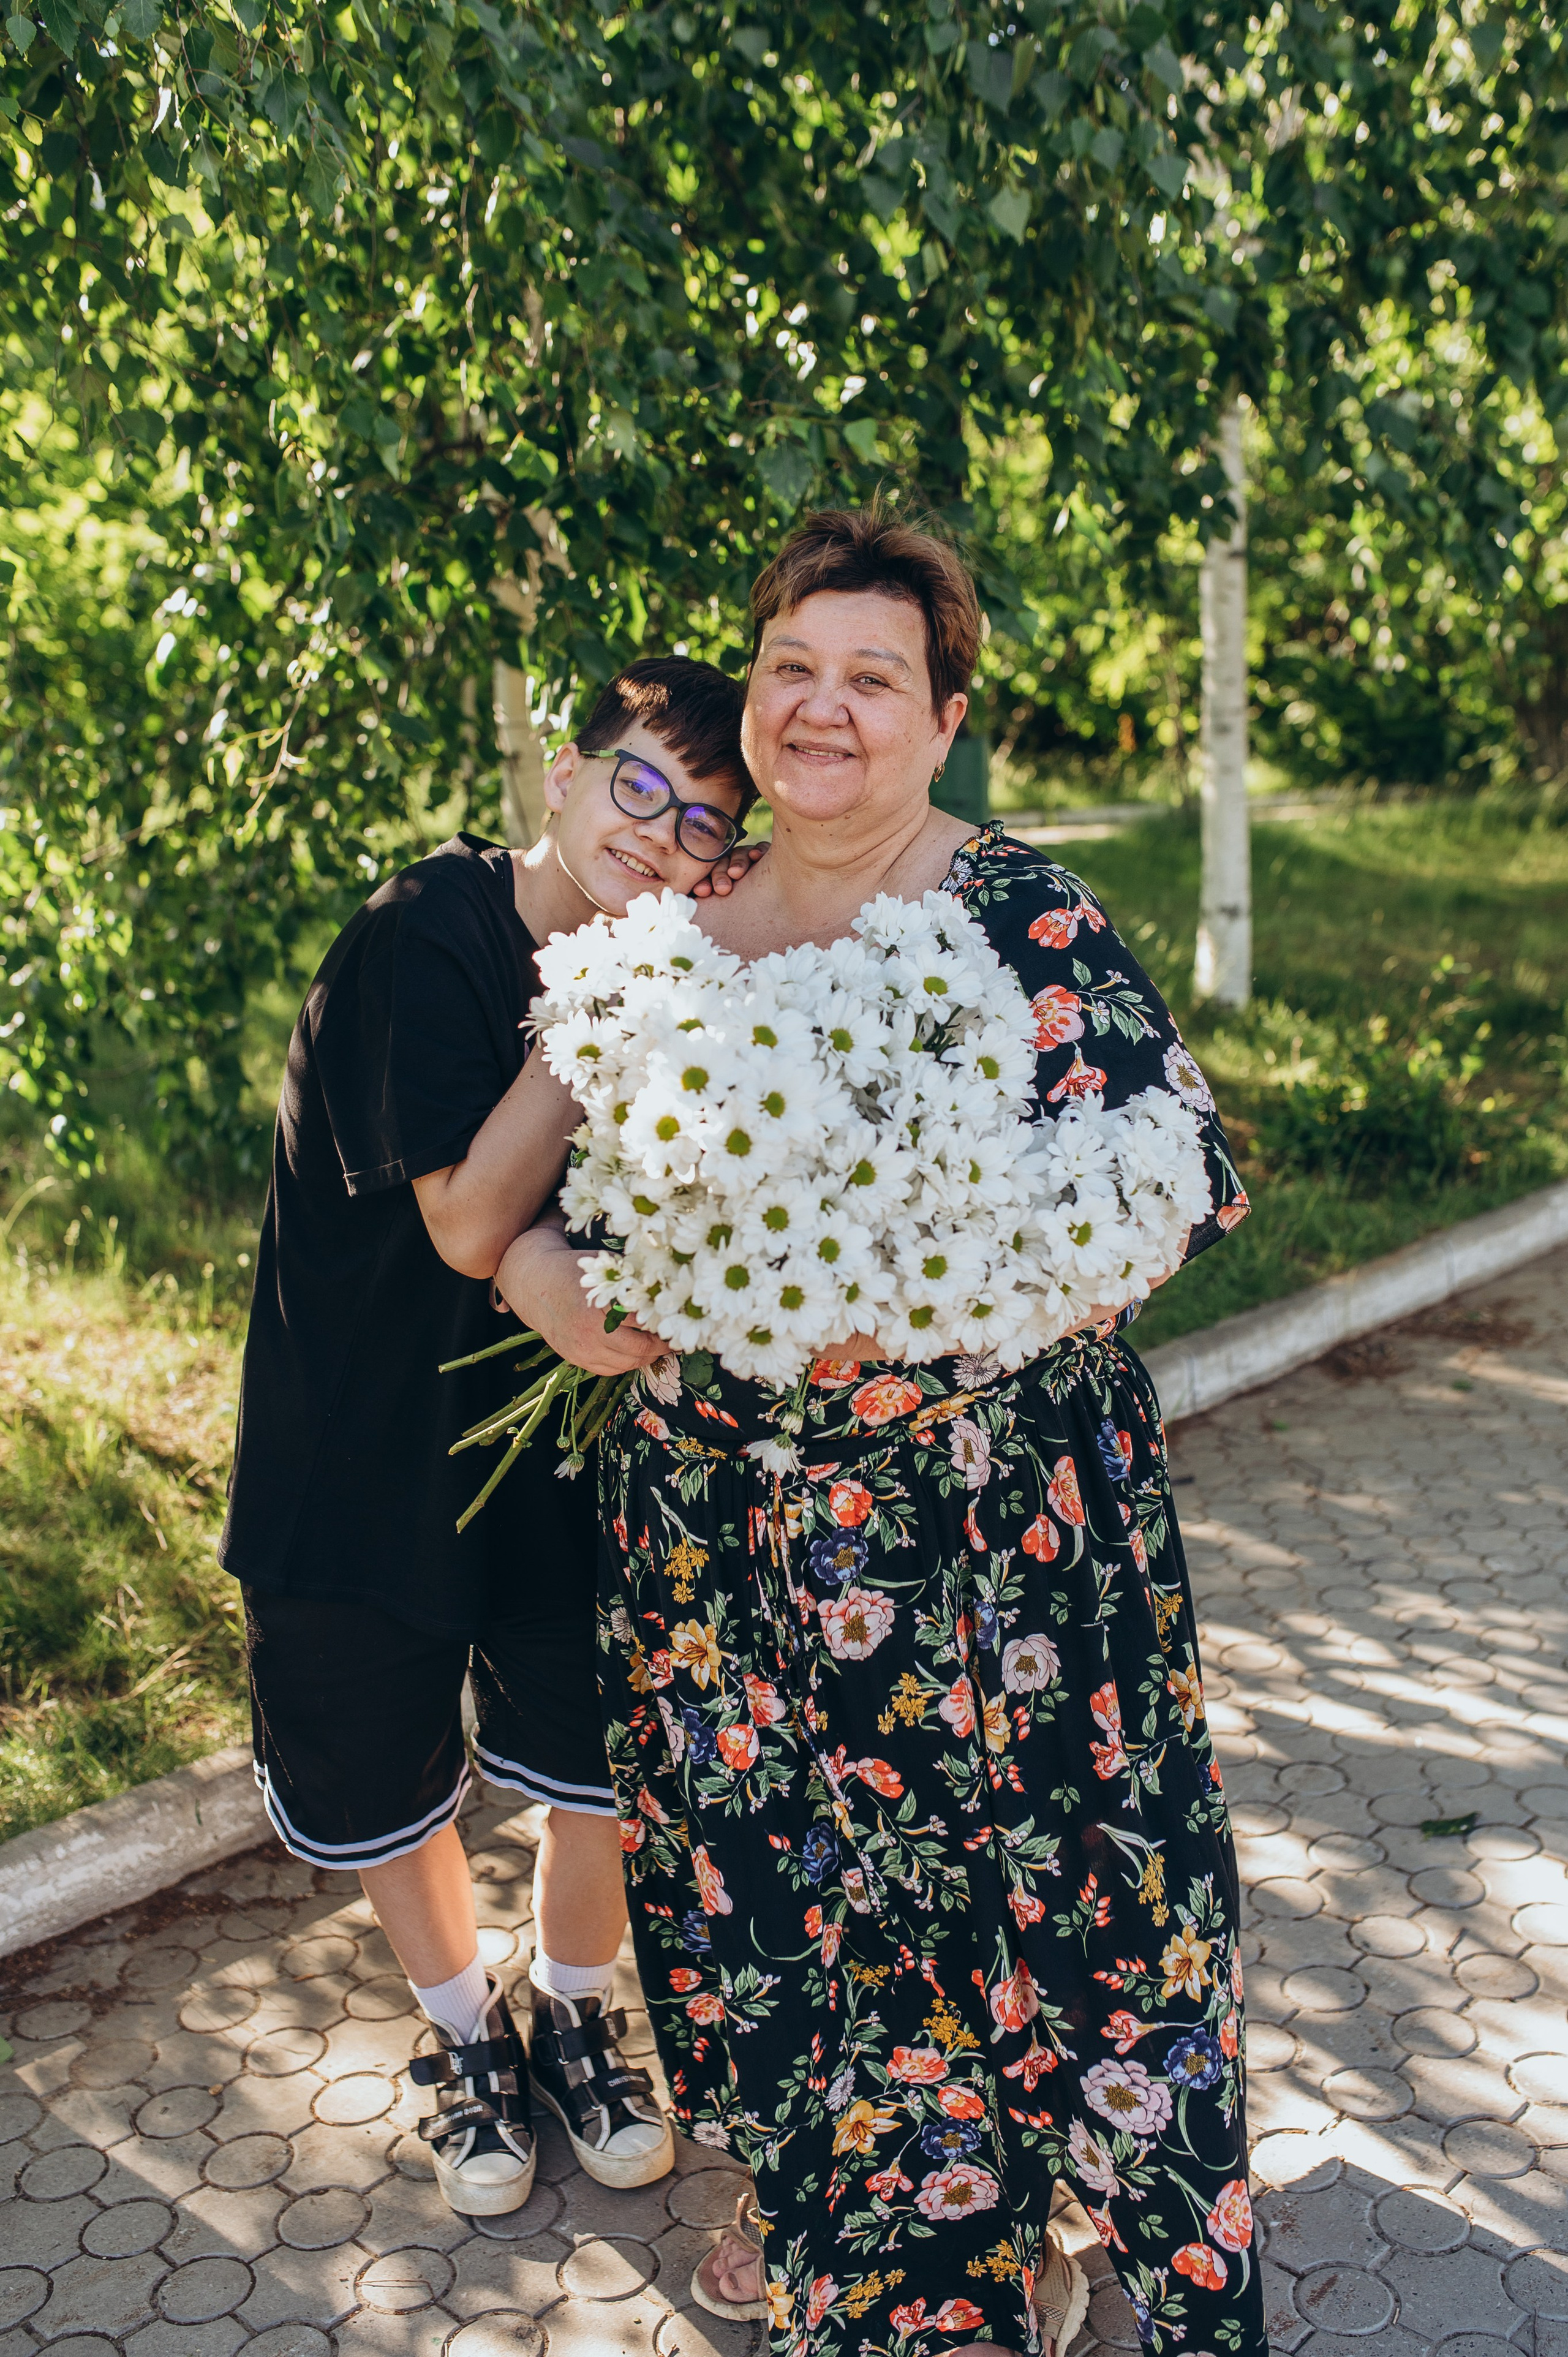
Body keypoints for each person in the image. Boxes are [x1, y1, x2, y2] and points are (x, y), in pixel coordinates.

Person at [497, 510, 1261, 2356]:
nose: (823, 708)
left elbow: (1173, 1195)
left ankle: (1080, 2232)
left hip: (999, 1555)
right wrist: (552, 1287)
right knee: (804, 1946)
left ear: (941, 720)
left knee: (1070, 1935)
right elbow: (532, 1191)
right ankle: (901, 2268)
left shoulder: (1018, 915)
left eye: (873, 677)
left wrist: (876, 1313)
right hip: (728, 1564)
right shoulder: (677, 915)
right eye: (790, 668)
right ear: (750, 695)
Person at [220, 657, 758, 2217]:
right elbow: (464, 1212)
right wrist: (601, 1001)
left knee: (590, 1743)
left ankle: (579, 2010)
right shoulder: (427, 936)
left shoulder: (679, 960)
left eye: (701, 818)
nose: (655, 832)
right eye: (636, 783)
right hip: (370, 1429)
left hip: (560, 1437)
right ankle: (463, 2031)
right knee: (391, 1762)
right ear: (566, 776)